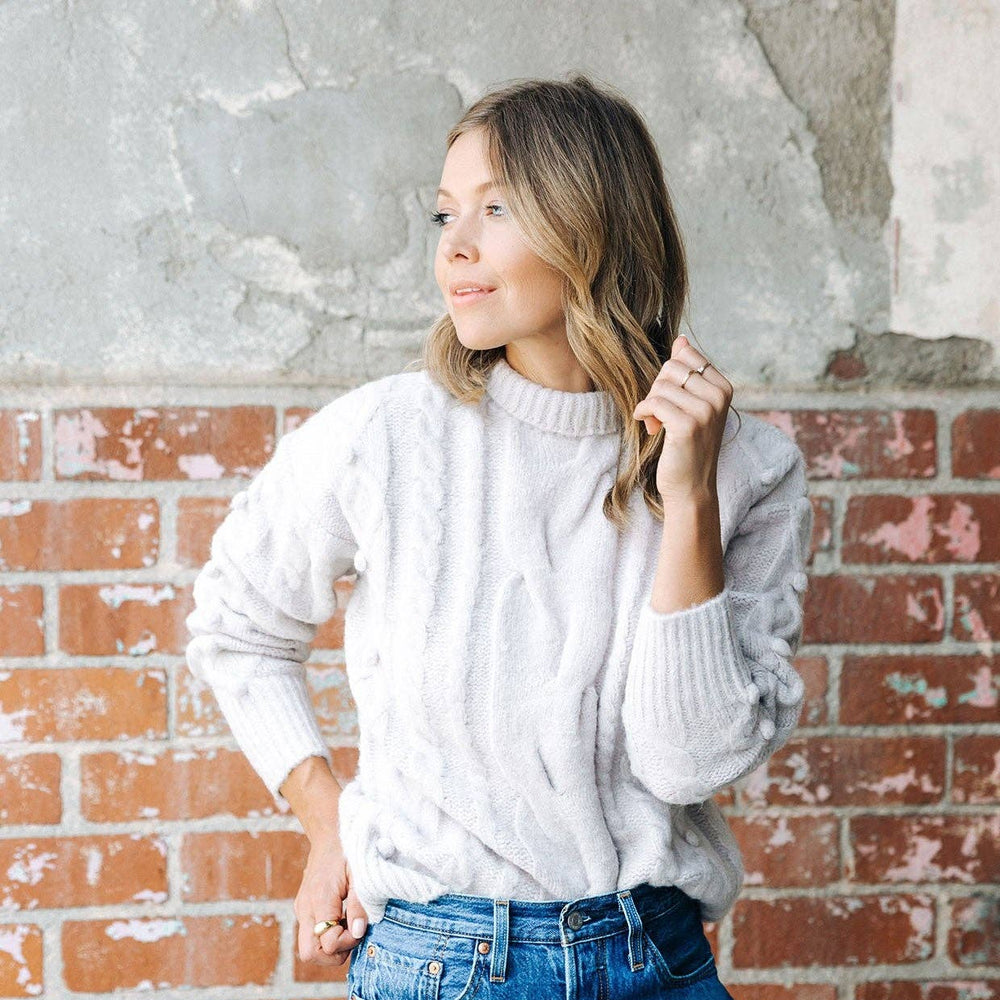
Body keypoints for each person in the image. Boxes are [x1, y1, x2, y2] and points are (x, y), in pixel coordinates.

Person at [184, 73, 812, 1000]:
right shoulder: (387, 435)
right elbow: (237, 627)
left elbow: (687, 762)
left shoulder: (747, 469)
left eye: (497, 208)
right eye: (446, 215)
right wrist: (329, 825)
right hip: (439, 960)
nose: (456, 248)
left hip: (655, 959)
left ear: (592, 223)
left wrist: (688, 506)